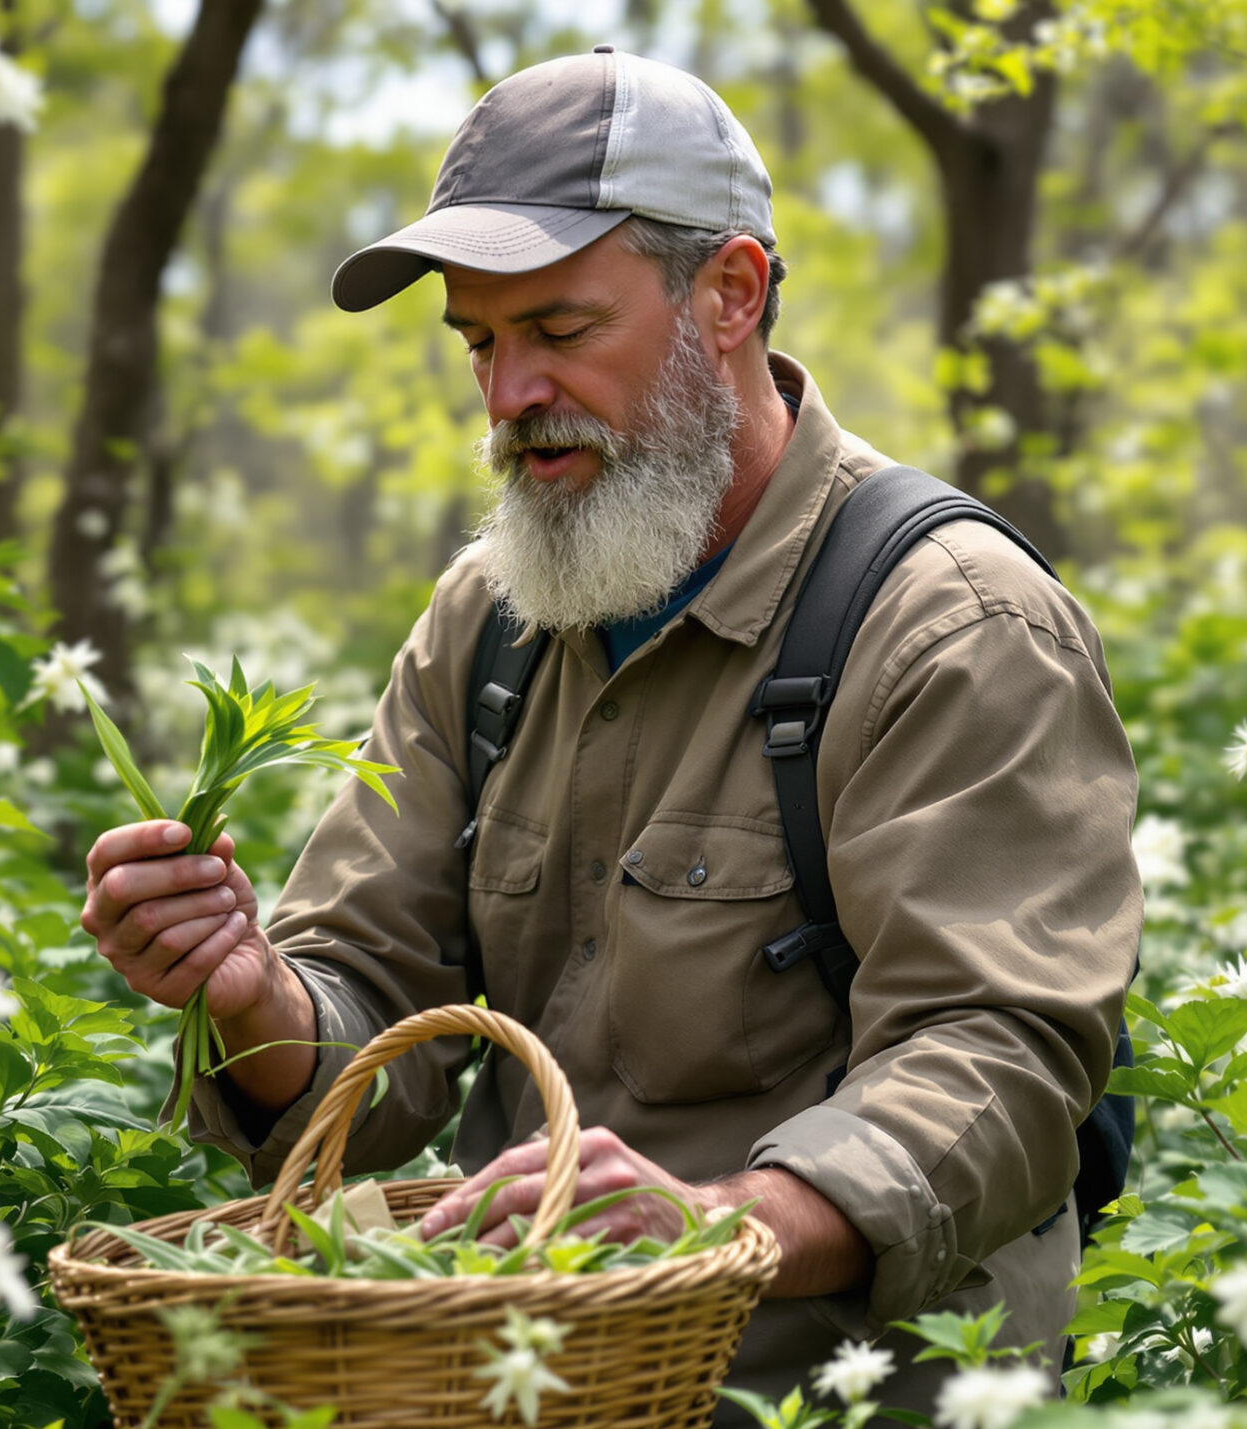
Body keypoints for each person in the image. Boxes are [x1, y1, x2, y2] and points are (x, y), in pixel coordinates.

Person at [79, 47, 1140, 1420]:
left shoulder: (948, 624)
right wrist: (246, 993)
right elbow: (370, 1008)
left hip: (828, 1388)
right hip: (516, 1380)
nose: (508, 394)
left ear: (730, 295)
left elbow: (998, 1054)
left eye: (561, 330)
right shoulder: (491, 618)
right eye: (480, 342)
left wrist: (715, 1224)